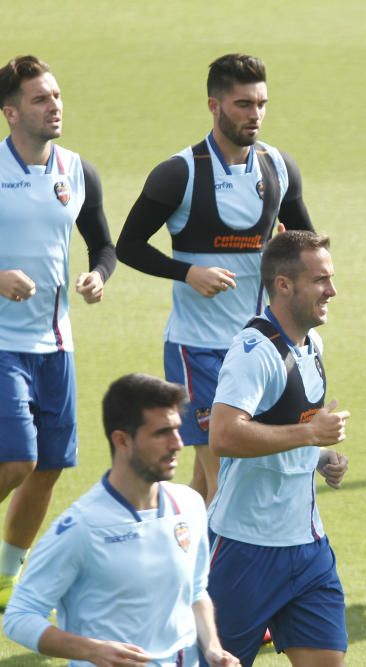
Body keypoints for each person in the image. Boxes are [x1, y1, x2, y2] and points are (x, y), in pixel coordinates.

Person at [116, 53, 314, 504]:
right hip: (199, 348)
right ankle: (215, 575)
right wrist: (187, 272)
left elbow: (307, 246)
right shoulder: (179, 173)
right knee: (227, 480)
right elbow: (126, 246)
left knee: (206, 487)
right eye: (243, 104)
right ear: (214, 105)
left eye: (261, 103)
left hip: (259, 345)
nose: (255, 115)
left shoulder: (278, 167)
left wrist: (285, 256)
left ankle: (166, 555)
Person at [3, 373, 239, 666]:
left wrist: (213, 648)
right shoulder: (81, 527)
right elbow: (19, 616)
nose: (177, 443)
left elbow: (195, 589)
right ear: (122, 440)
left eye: (177, 430)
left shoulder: (189, 505)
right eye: (162, 433)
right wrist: (91, 650)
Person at [0, 55, 116, 607]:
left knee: (47, 468)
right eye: (41, 99)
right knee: (16, 460)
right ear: (10, 112)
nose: (55, 106)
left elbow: (104, 245)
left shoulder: (76, 170)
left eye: (57, 96)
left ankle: (4, 577)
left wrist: (97, 276)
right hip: (2, 344)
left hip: (56, 344)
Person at [207, 230, 350, 666]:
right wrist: (309, 436)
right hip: (244, 549)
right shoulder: (253, 351)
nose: (333, 290)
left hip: (307, 547)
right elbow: (224, 435)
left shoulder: (312, 344)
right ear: (284, 285)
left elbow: (284, 427)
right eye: (321, 280)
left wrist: (319, 456)